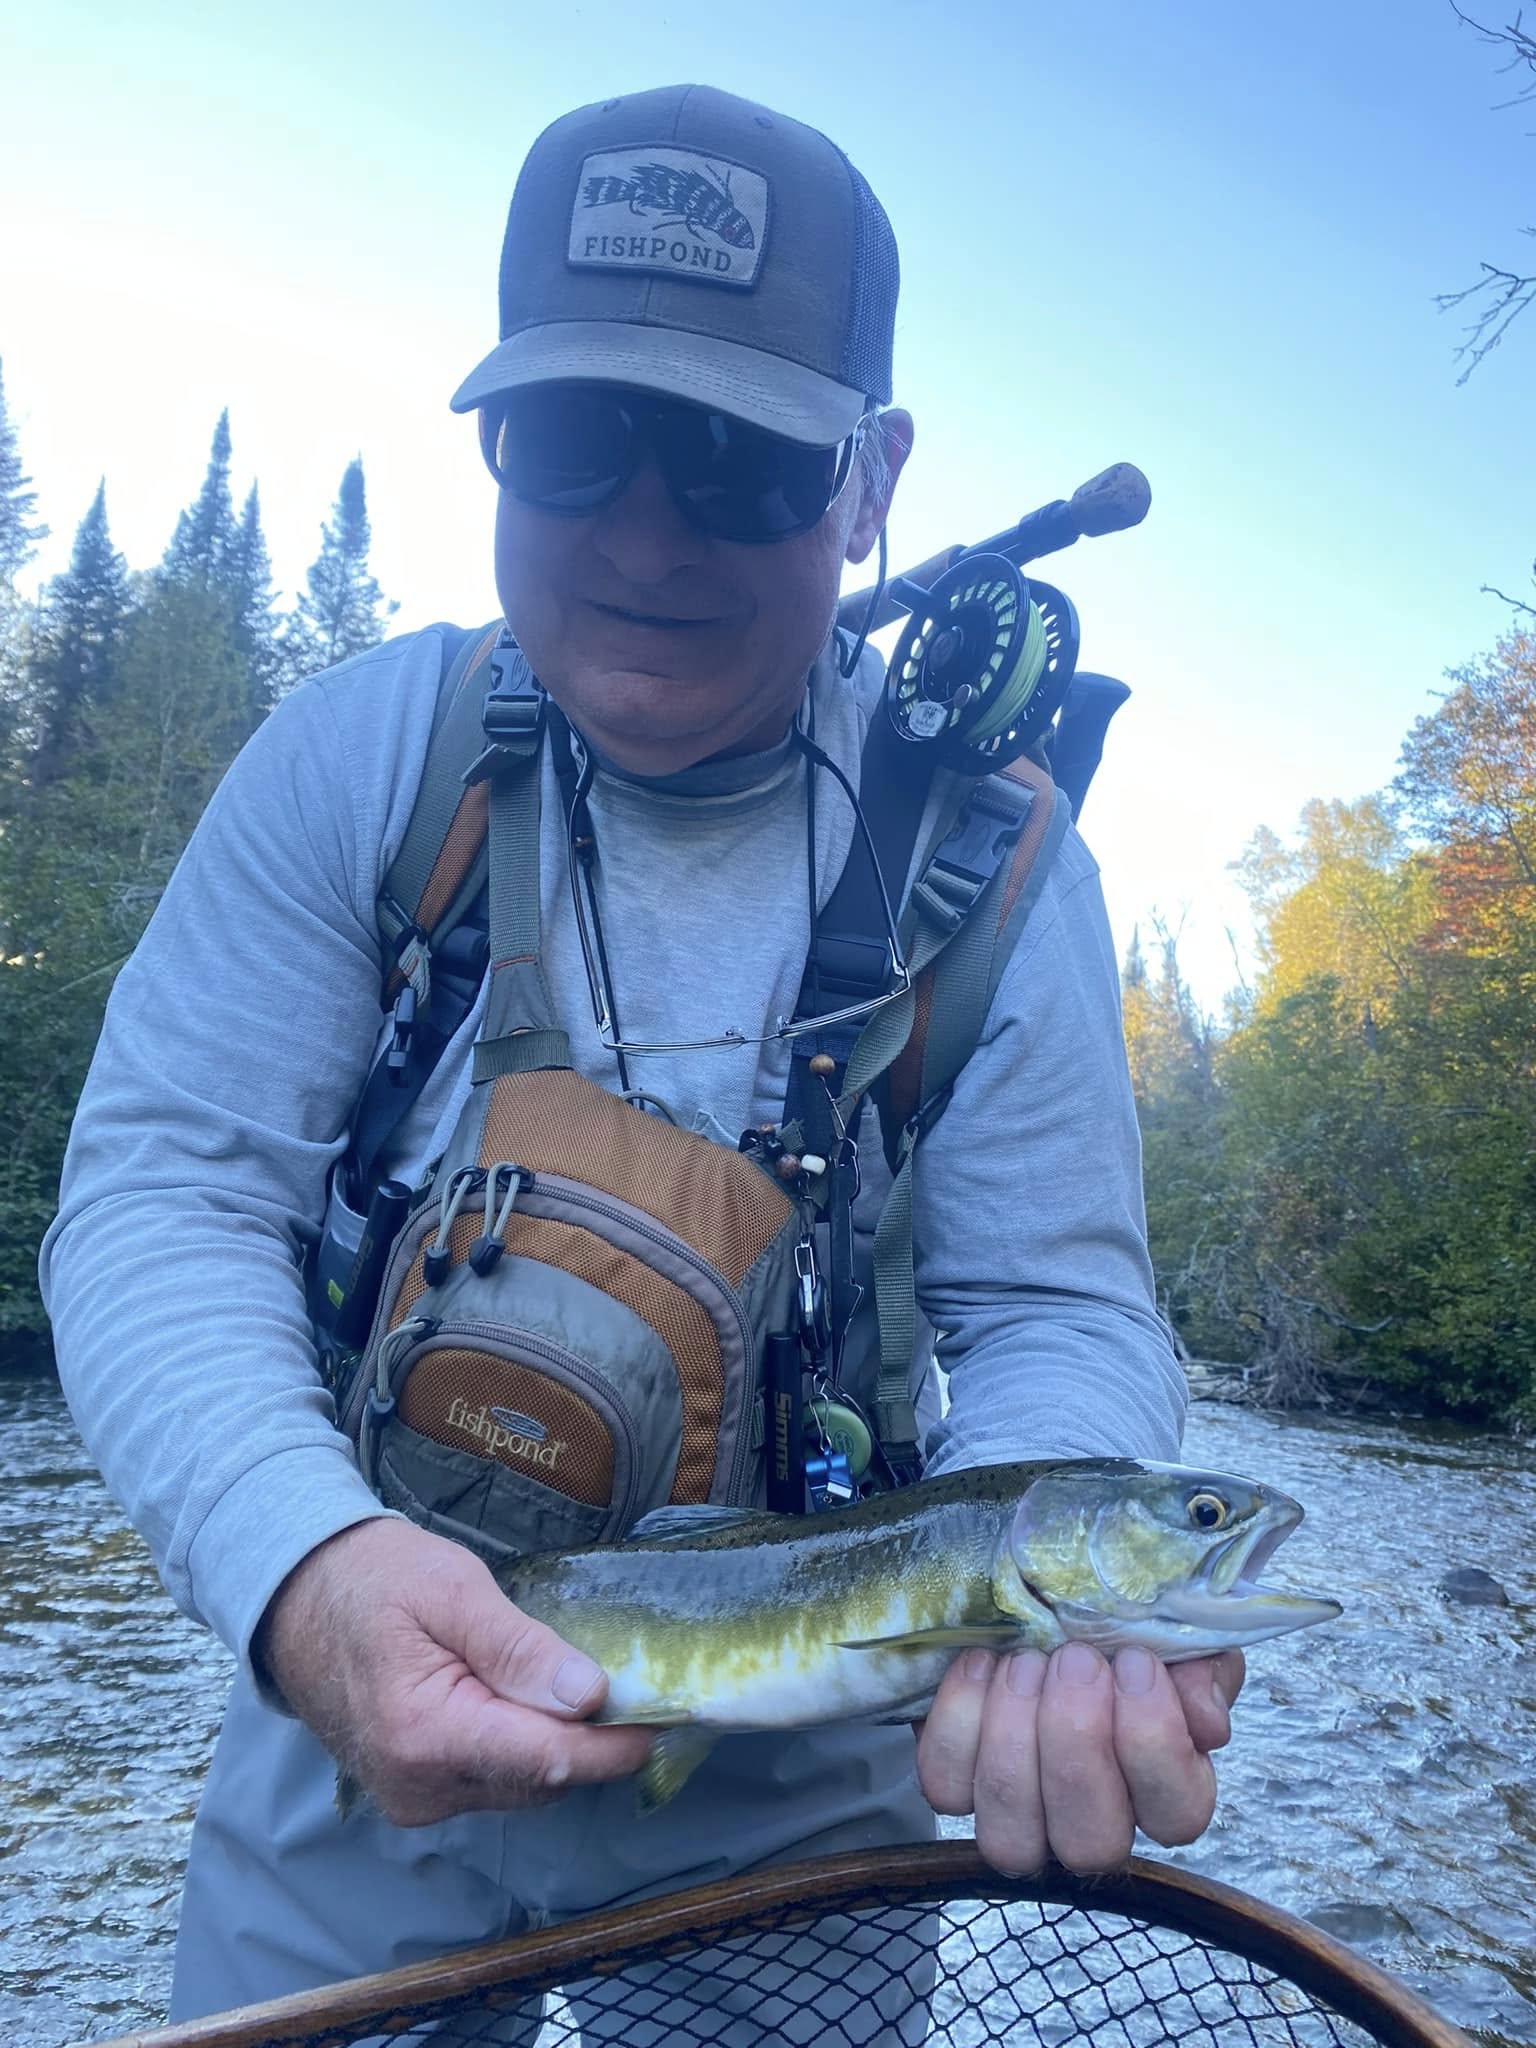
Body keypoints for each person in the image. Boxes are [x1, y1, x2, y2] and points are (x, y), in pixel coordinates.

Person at [40, 82, 1242, 2034]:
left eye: (742, 462)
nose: (646, 533)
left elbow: (1059, 1312)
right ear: (495, 434)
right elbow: (162, 1202)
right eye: (578, 440)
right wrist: (302, 1565)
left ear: (872, 479)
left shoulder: (1003, 866)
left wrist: (1045, 1589)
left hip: (807, 1792)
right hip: (356, 1689)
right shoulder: (366, 755)